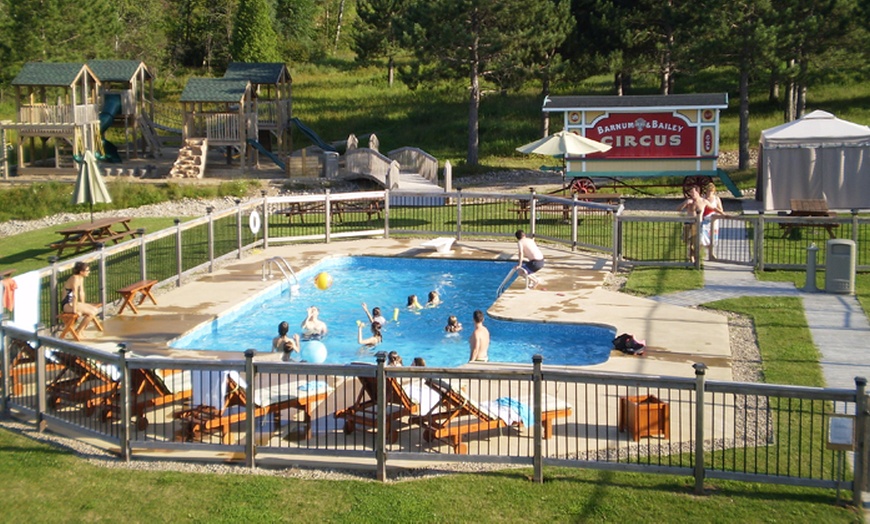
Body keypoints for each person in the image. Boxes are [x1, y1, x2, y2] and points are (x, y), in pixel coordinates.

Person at [61, 261, 100, 332]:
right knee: (91, 313)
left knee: (95, 310)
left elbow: (81, 292)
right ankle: (79, 331)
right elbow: (75, 294)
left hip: (73, 303)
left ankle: (80, 330)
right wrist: (74, 310)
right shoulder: (74, 279)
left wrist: (83, 304)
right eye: (87, 270)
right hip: (67, 304)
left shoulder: (80, 278)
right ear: (81, 272)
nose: (89, 272)